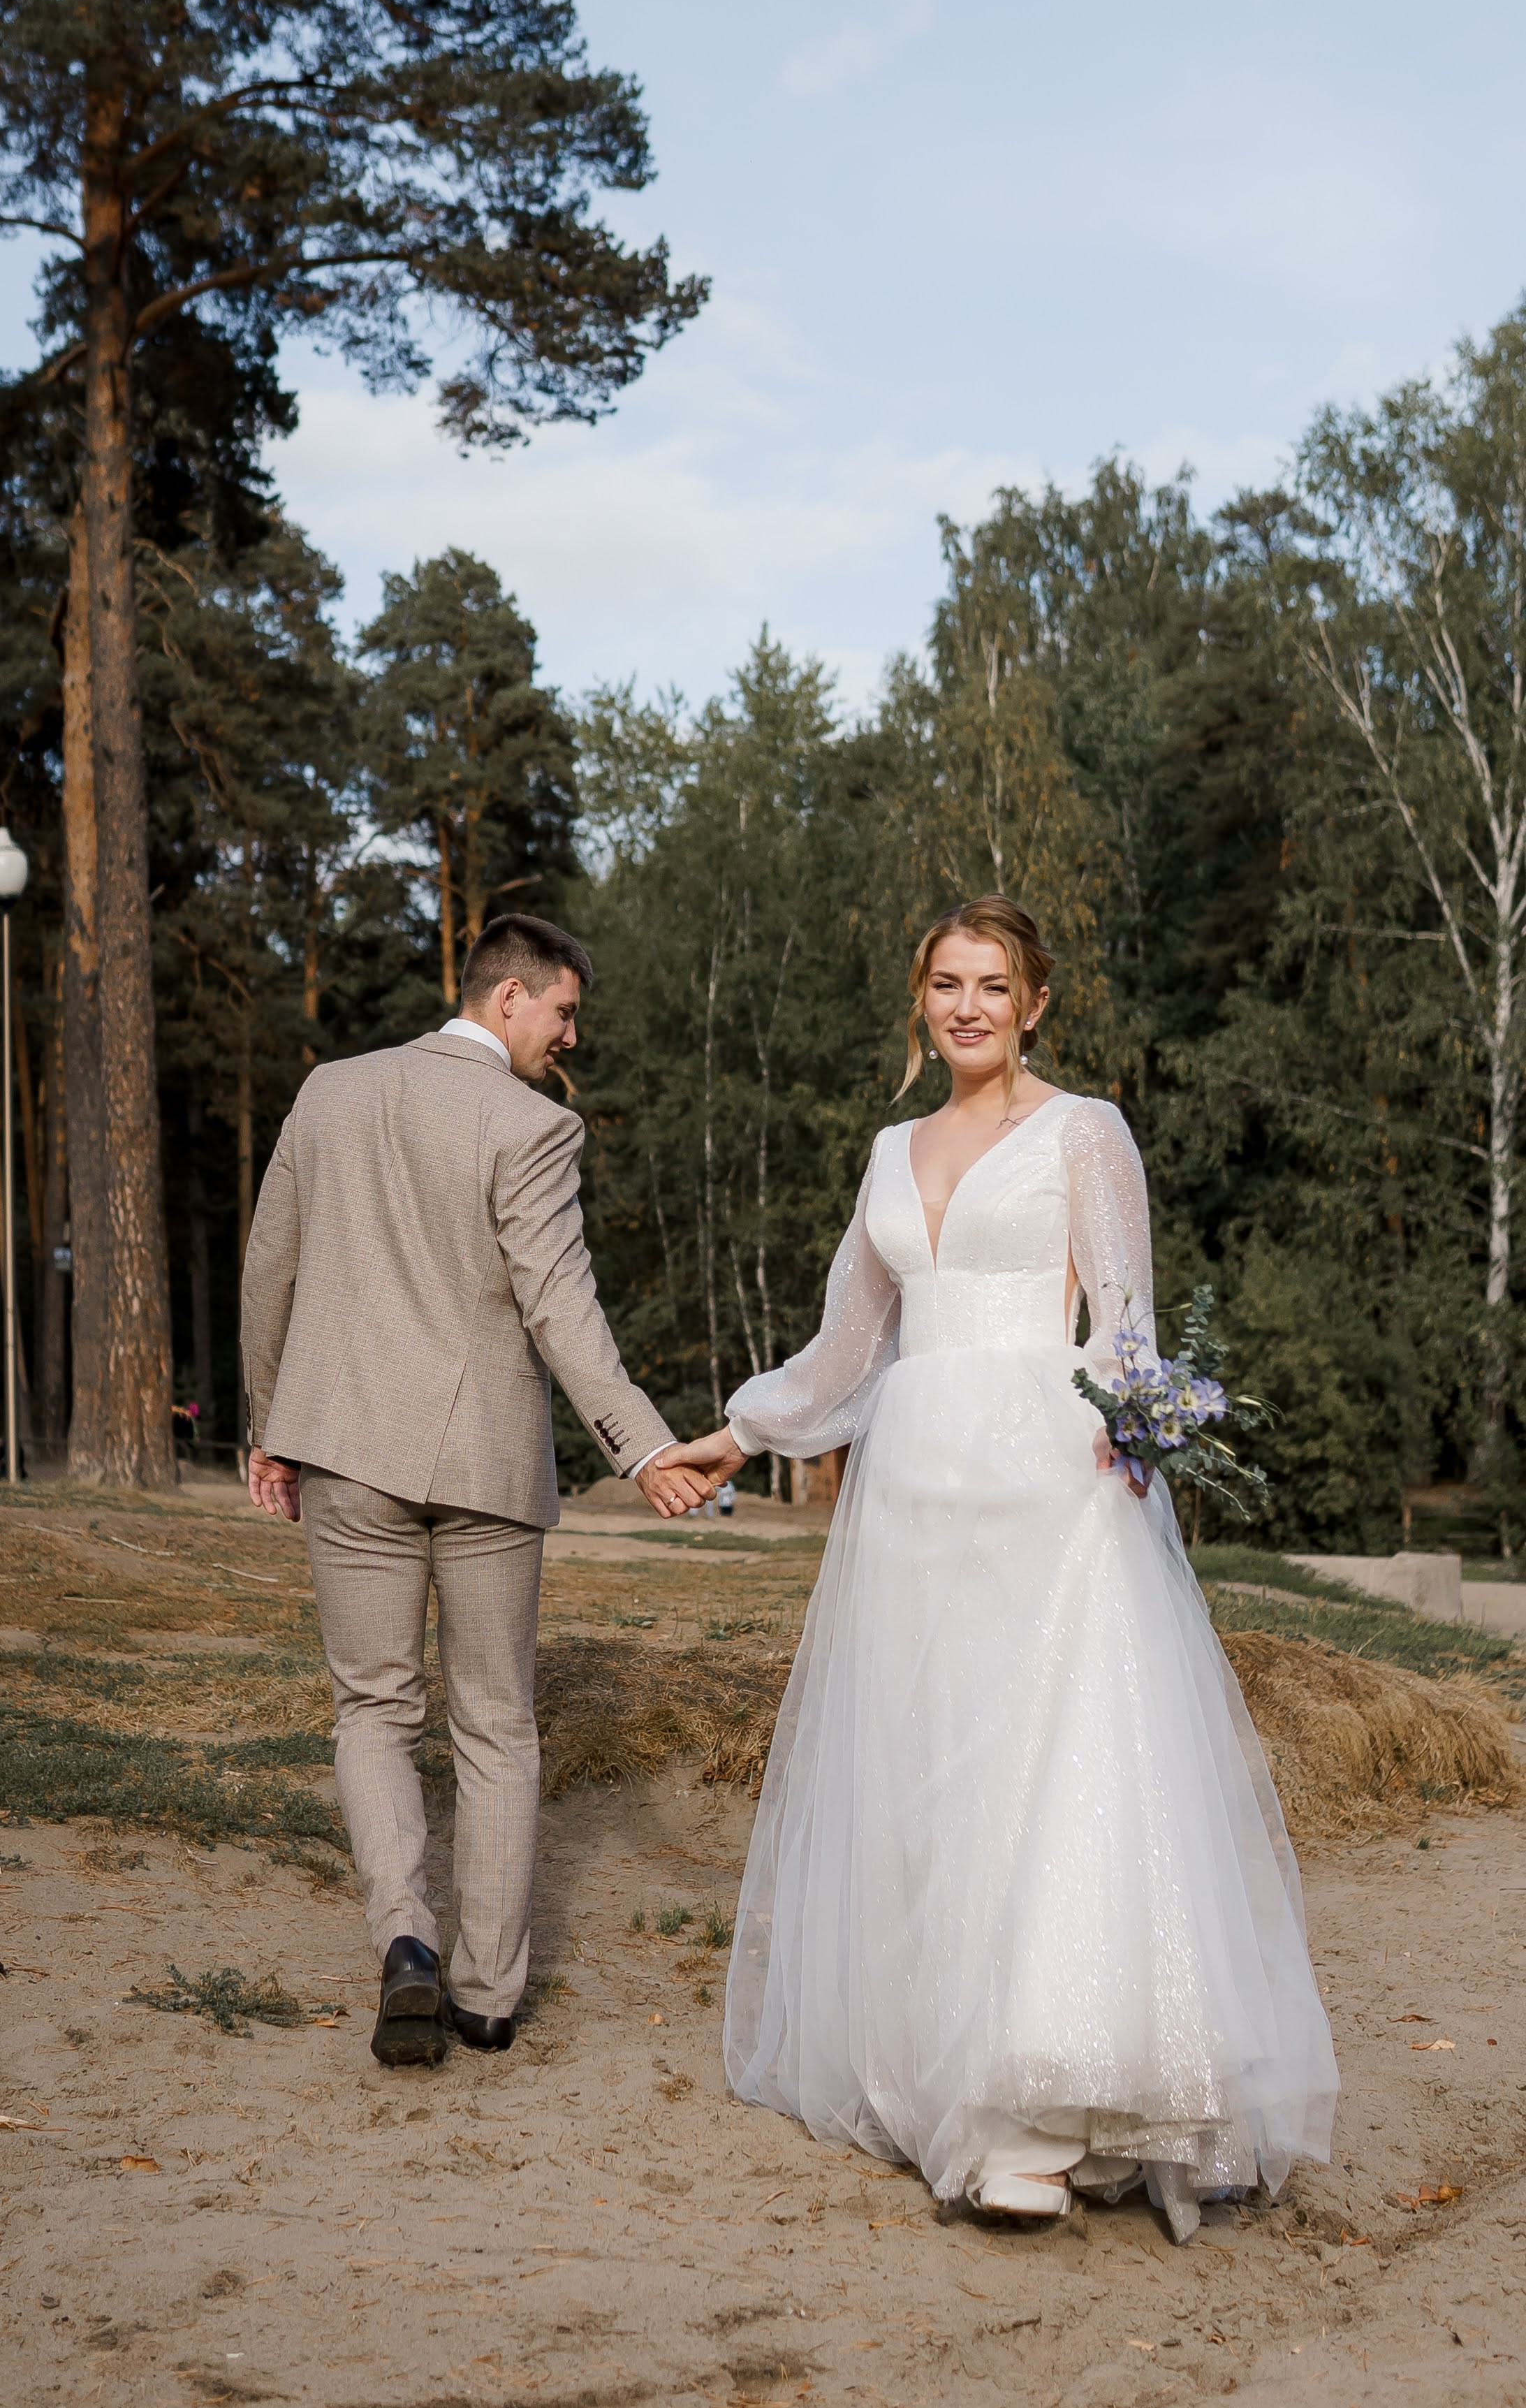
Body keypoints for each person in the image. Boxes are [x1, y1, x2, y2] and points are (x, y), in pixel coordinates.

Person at [673, 896, 1337, 2240]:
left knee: (1050, 1774)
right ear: (918, 998)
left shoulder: (1085, 1131)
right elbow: (845, 1354)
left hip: (1050, 1487)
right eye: (942, 982)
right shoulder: (887, 1152)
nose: (965, 1005)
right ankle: (956, 2075)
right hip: (914, 1500)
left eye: (991, 984)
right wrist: (727, 1438)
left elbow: (1126, 1323)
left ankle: (1038, 2112)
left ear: (1034, 1002)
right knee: (934, 1783)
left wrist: (1133, 1445)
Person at [240, 913, 710, 2071]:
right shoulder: (532, 1126)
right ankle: (488, 1996)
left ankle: (405, 1940)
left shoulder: (331, 1092)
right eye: (562, 1013)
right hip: (487, 1461)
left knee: (371, 1711)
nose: (567, 1037)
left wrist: (269, 1429)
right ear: (509, 996)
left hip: (344, 1442)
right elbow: (562, 1306)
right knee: (495, 1722)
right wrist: (642, 1446)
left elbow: (270, 1266)